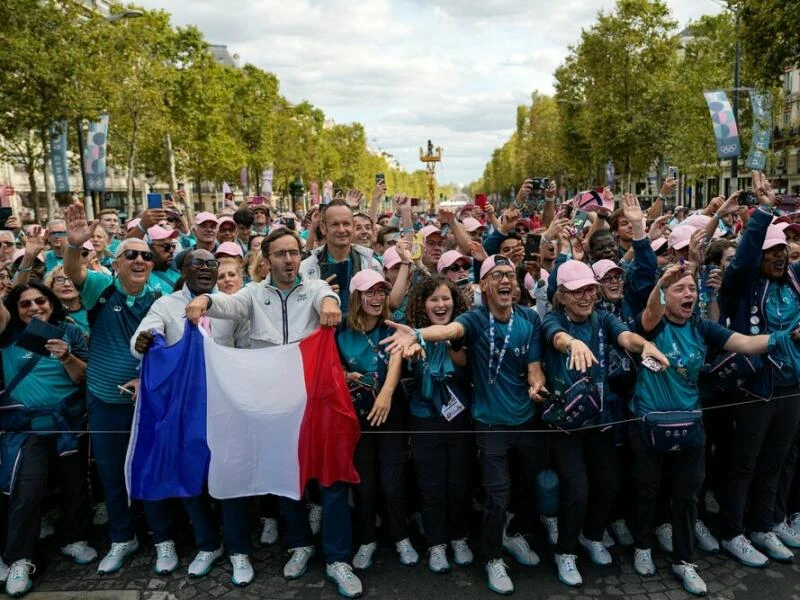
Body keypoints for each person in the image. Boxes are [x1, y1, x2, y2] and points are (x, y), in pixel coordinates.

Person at [184, 229, 363, 599]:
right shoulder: (253, 294)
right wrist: (204, 300)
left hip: (315, 399)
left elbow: (327, 298)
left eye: (294, 253)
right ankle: (300, 544)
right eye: (280, 254)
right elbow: (227, 305)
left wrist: (331, 303)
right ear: (266, 259)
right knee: (286, 476)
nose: (288, 260)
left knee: (330, 478)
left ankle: (337, 559)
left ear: (301, 256)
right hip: (274, 403)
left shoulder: (314, 288)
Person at [382, 255, 548, 596]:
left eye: (510, 276)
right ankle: (471, 552)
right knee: (470, 491)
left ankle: (497, 535)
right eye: (497, 275)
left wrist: (536, 384)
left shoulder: (529, 318)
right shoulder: (472, 321)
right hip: (467, 422)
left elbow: (531, 365)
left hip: (505, 421)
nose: (505, 281)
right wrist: (416, 335)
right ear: (483, 286)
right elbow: (449, 330)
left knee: (523, 485)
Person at [630, 261, 788, 595]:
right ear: (666, 296)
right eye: (679, 289)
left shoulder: (701, 327)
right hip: (649, 424)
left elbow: (745, 344)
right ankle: (642, 547)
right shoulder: (651, 327)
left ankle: (684, 561)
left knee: (688, 496)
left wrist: (785, 336)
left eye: (691, 288)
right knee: (647, 490)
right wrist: (662, 282)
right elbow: (648, 313)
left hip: (690, 426)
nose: (688, 293)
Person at [62, 204, 176, 576]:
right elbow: (73, 271)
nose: (140, 260)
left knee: (152, 470)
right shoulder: (99, 287)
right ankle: (122, 538)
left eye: (145, 254)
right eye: (131, 254)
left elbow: (175, 350)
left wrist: (148, 378)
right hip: (104, 401)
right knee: (111, 475)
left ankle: (163, 539)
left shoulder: (164, 296)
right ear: (116, 262)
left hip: (150, 401)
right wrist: (74, 245)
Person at [541, 260, 668, 587]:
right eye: (577, 291)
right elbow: (555, 337)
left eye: (589, 290)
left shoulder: (603, 317)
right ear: (562, 296)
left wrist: (646, 347)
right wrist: (573, 343)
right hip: (565, 424)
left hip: (599, 419)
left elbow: (625, 336)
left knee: (610, 484)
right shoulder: (554, 318)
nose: (585, 296)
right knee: (578, 489)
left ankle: (591, 534)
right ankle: (565, 552)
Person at [131, 249, 253, 584]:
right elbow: (145, 335)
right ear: (182, 270)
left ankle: (239, 550)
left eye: (211, 264)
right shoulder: (166, 305)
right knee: (190, 478)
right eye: (196, 264)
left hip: (226, 407)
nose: (205, 269)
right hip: (184, 410)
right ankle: (208, 544)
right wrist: (143, 341)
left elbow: (245, 350)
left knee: (231, 478)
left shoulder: (231, 304)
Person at [719, 172, 800, 566]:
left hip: (790, 387)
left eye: (783, 248)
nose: (779, 255)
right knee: (745, 463)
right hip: (754, 389)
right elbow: (747, 252)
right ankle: (733, 532)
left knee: (778, 460)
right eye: (771, 250)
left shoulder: (795, 281)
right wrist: (763, 213)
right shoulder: (742, 285)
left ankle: (764, 525)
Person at [0, 282, 96, 596]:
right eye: (24, 304)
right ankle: (20, 558)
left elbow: (86, 378)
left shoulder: (70, 334)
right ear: (15, 310)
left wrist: (68, 357)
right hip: (26, 427)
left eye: (40, 301)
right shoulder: (7, 335)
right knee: (26, 490)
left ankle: (74, 538)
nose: (34, 308)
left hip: (68, 421)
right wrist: (26, 257)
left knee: (74, 483)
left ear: (51, 303)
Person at [337, 270, 418, 573]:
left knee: (393, 481)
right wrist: (345, 375)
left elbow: (396, 358)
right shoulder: (341, 329)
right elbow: (331, 365)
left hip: (390, 412)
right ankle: (367, 538)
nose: (376, 298)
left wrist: (386, 392)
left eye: (381, 291)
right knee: (364, 484)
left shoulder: (392, 324)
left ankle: (401, 536)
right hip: (356, 416)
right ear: (356, 296)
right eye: (369, 292)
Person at [405, 276, 474, 573]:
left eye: (446, 298)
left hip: (459, 420)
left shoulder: (462, 331)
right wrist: (415, 345)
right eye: (433, 299)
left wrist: (444, 338)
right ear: (423, 304)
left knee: (459, 483)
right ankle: (436, 543)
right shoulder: (408, 336)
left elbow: (462, 362)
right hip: (424, 419)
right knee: (431, 486)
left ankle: (459, 537)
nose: (440, 304)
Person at [300, 199, 382, 316]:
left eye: (346, 224)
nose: (342, 230)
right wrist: (318, 296)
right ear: (323, 228)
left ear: (353, 226)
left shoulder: (372, 265)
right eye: (335, 224)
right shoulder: (305, 268)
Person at [45, 266, 89, 335]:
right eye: (59, 280)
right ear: (51, 286)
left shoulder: (93, 310)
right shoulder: (45, 313)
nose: (66, 284)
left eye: (73, 279)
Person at [146, 226, 180, 294]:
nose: (172, 250)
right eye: (166, 246)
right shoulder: (141, 277)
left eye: (173, 246)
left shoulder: (180, 270)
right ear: (149, 248)